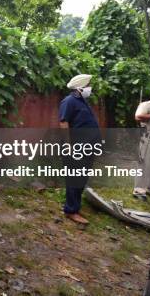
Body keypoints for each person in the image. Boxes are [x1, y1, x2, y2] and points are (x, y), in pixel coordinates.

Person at [59, 74, 101, 225]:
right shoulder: (69, 101)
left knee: (82, 178)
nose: (90, 88)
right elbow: (64, 123)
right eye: (88, 85)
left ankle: (75, 206)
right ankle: (71, 211)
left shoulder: (82, 101)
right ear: (80, 87)